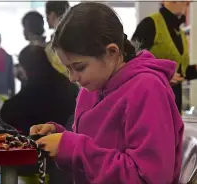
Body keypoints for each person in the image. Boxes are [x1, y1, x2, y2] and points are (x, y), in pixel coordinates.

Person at [30, 3, 184, 184]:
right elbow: (99, 146)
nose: (72, 78)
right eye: (68, 69)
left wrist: (74, 148)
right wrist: (61, 138)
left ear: (111, 52)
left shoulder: (147, 89)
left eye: (79, 67)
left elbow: (150, 178)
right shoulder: (93, 87)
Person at [132, 1, 197, 113]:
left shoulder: (180, 32)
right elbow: (131, 63)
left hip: (174, 104)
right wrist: (162, 75)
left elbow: (180, 73)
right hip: (153, 102)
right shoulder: (149, 24)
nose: (188, 3)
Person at [0, 45, 78, 136]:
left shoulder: (31, 91)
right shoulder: (67, 84)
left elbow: (9, 112)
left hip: (40, 142)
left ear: (25, 67)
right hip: (68, 136)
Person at [45, 1, 70, 77]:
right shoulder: (75, 33)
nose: (46, 19)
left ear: (52, 15)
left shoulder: (58, 39)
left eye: (46, 15)